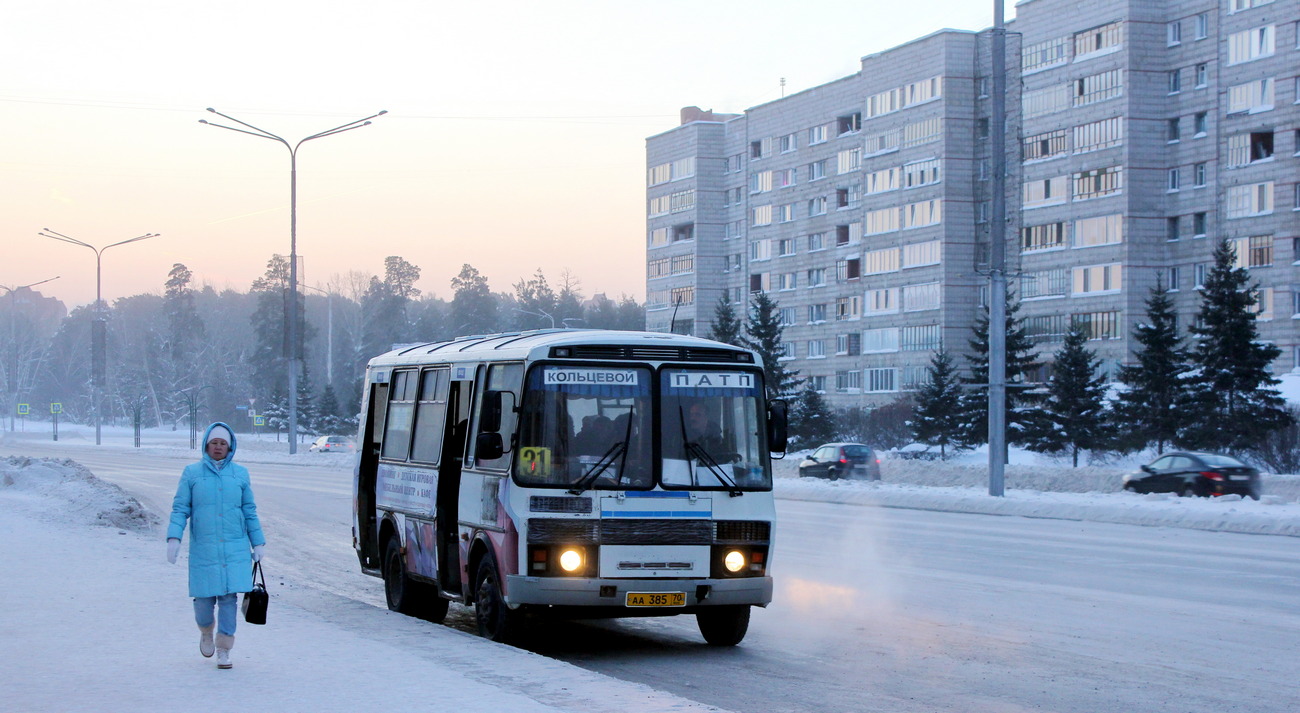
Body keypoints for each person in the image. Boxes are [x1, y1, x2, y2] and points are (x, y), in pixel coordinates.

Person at [166, 422, 266, 670]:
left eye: (223, 443)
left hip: (234, 548)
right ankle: (205, 631)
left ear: (229, 447)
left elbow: (249, 511)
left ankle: (224, 649)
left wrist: (258, 542)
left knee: (229, 599)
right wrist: (174, 537)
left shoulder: (240, 474)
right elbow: (180, 509)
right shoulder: (192, 473)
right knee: (203, 601)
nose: (218, 447)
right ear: (206, 446)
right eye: (214, 443)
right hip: (205, 548)